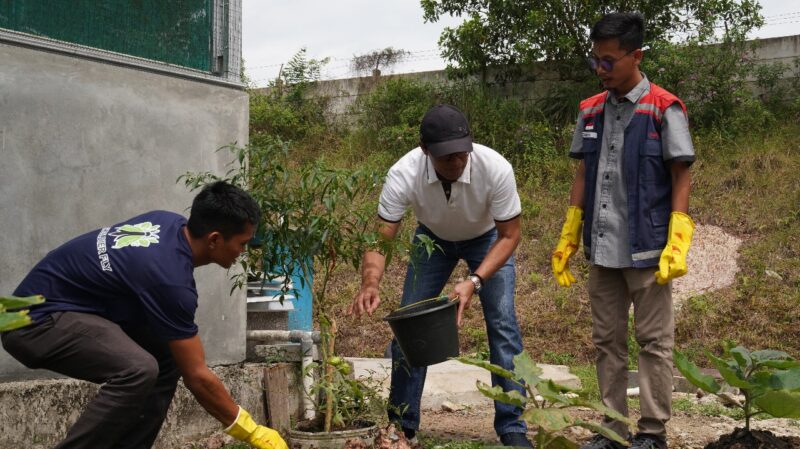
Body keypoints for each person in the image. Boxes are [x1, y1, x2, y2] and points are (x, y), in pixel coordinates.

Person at [2, 181, 288, 449]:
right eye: (242, 243)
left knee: (167, 357)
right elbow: (198, 377)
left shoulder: (167, 222)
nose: (244, 251)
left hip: (70, 307)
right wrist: (252, 431)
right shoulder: (170, 280)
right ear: (214, 239)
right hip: (34, 321)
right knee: (137, 369)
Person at [348, 104, 532, 448]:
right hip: (432, 238)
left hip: (490, 238)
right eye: (447, 157)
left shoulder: (495, 168)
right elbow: (382, 235)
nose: (457, 162)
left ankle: (513, 428)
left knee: (503, 325)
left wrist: (474, 281)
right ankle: (402, 426)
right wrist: (370, 282)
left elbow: (510, 235)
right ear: (425, 150)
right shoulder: (403, 173)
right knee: (410, 327)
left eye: (462, 153)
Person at [551, 12, 696, 449]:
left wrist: (678, 235)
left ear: (636, 55)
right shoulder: (590, 109)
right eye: (596, 60)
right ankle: (611, 430)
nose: (601, 69)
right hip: (602, 249)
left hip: (649, 249)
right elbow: (583, 173)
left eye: (609, 61)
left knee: (653, 342)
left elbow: (681, 173)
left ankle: (652, 433)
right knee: (606, 343)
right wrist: (570, 231)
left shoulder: (663, 108)